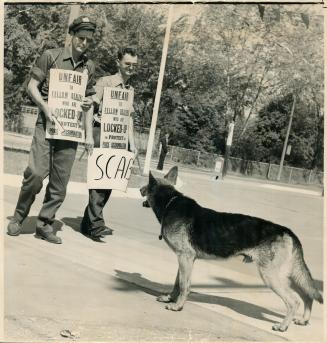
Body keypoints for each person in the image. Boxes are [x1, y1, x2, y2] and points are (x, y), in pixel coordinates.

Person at [7, 16, 97, 244]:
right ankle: (18, 217)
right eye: (81, 37)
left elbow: (88, 102)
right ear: (72, 36)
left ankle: (45, 224)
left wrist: (88, 132)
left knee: (59, 184)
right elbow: (31, 86)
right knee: (35, 175)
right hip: (46, 126)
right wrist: (45, 108)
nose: (84, 43)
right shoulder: (51, 56)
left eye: (88, 40)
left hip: (70, 132)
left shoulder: (90, 67)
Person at [80, 47, 138, 241]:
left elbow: (128, 118)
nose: (130, 68)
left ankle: (88, 223)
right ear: (118, 62)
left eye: (133, 65)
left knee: (110, 182)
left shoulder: (130, 90)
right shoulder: (105, 82)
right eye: (127, 64)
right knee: (99, 179)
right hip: (100, 132)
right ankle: (96, 224)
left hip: (119, 138)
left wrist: (132, 143)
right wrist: (88, 136)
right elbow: (90, 107)